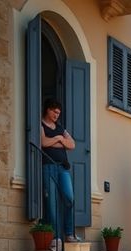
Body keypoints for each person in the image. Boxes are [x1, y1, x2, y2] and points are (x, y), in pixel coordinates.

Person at [40, 98, 78, 243]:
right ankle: (55, 237)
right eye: (55, 112)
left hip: (63, 167)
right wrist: (59, 139)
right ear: (48, 110)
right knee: (51, 202)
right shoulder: (41, 125)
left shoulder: (61, 128)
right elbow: (43, 142)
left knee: (69, 198)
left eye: (58, 113)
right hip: (48, 166)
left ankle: (69, 234)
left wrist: (58, 140)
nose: (57, 115)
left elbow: (72, 144)